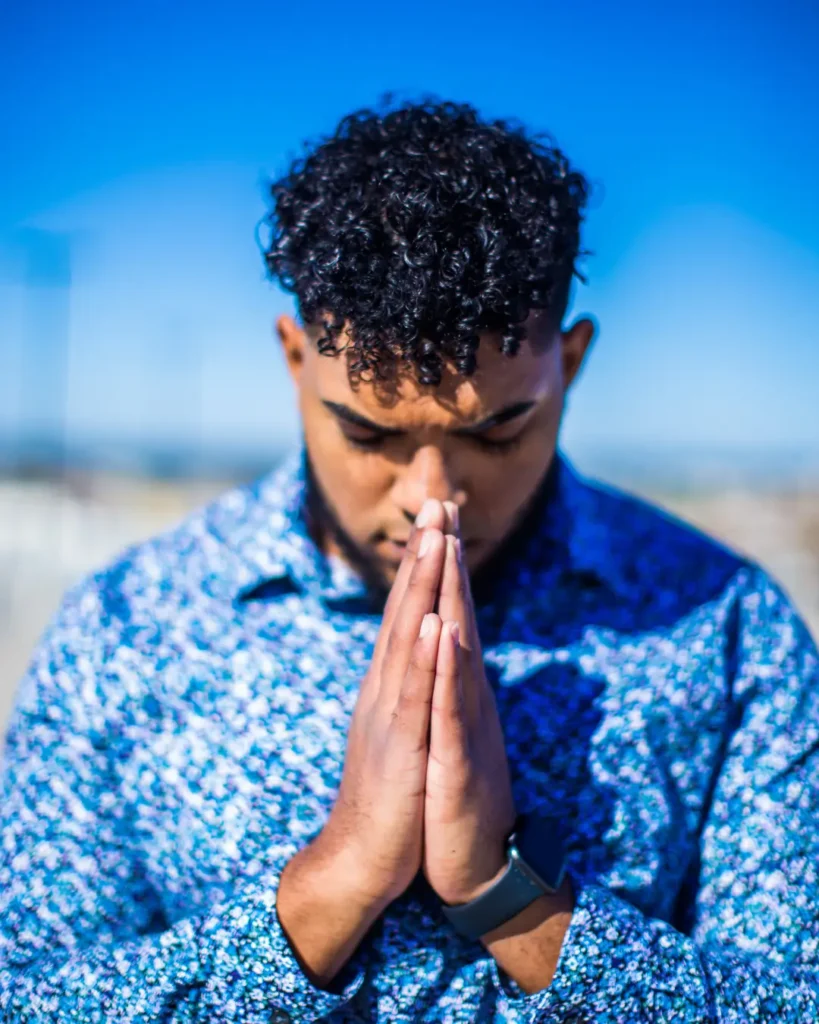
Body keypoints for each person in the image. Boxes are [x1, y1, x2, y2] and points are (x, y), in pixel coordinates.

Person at [0, 98, 816, 1024]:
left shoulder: (726, 626)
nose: (432, 500)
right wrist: (329, 888)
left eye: (496, 433)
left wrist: (514, 904)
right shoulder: (127, 626)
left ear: (570, 362)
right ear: (295, 358)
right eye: (367, 434)